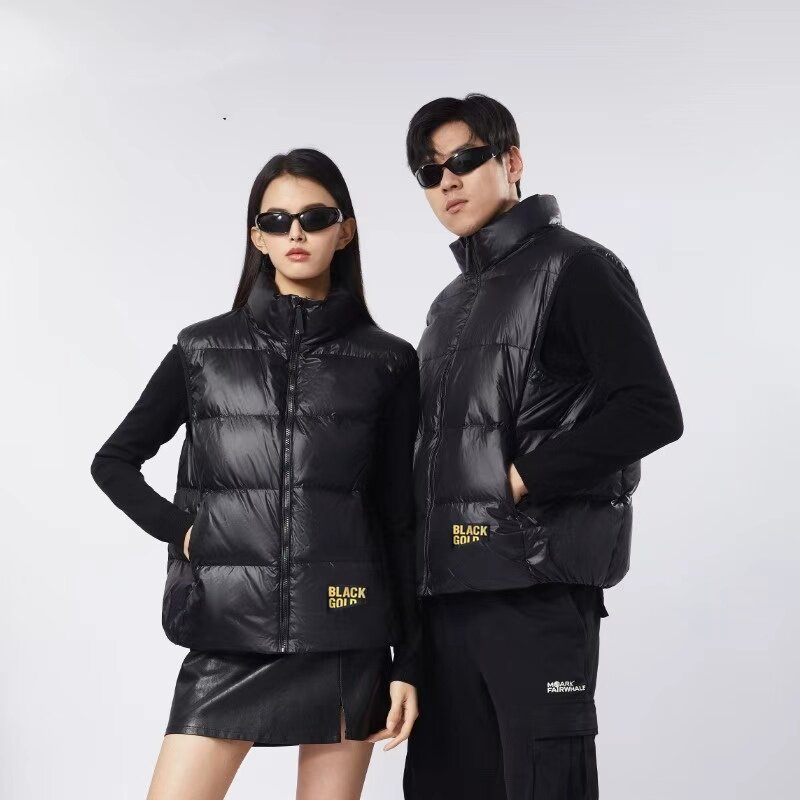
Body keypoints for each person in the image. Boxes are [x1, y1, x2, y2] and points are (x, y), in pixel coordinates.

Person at [90, 148, 420, 800]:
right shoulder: (203, 350)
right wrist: (185, 531)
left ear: (344, 231)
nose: (296, 232)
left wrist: (410, 660)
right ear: (257, 237)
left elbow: (399, 519)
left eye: (315, 217)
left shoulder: (387, 361)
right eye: (276, 220)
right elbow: (114, 462)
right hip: (229, 631)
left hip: (344, 632)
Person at [401, 93, 684, 799]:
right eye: (430, 172)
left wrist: (521, 479)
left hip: (535, 592)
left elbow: (650, 409)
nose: (448, 181)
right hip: (446, 600)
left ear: (513, 161)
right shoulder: (449, 304)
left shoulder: (576, 266)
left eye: (465, 160)